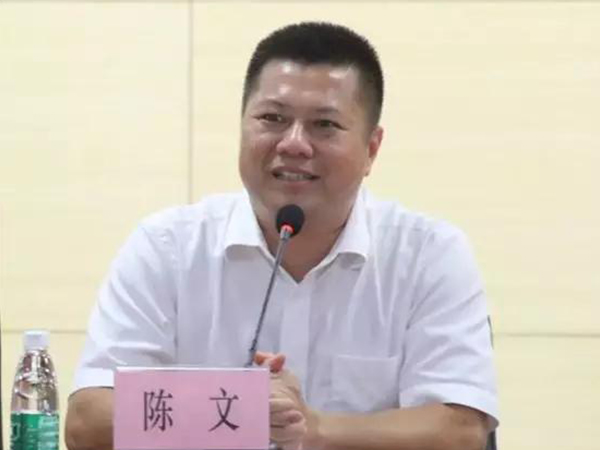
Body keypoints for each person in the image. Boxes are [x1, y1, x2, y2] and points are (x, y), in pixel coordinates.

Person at [66, 22, 498, 450]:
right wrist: (240, 409)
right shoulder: (167, 248)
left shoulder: (429, 254)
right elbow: (88, 422)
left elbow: (459, 431)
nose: (293, 144)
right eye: (272, 119)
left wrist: (315, 430)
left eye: (324, 125)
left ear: (371, 148)